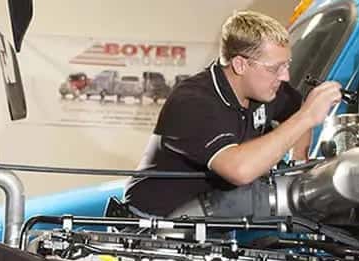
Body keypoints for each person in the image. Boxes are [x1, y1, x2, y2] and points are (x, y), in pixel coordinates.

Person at [124, 10, 344, 218]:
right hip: (154, 225)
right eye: (274, 68)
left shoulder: (268, 89)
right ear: (240, 64)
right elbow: (239, 170)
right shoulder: (192, 102)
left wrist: (297, 163)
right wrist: (306, 117)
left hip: (213, 217)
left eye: (286, 65)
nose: (285, 76)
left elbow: (297, 108)